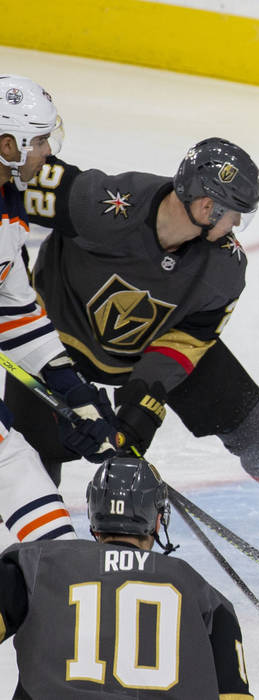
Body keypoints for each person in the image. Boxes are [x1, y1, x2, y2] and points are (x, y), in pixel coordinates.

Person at [18, 136, 259, 536]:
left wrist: (141, 406)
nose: (236, 225)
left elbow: (185, 341)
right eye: (234, 214)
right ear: (207, 207)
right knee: (26, 453)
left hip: (148, 345)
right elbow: (14, 183)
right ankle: (17, 552)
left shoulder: (225, 267)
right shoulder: (104, 202)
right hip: (50, 340)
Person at [0, 456, 254, 698]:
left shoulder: (34, 563)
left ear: (93, 512)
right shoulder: (204, 596)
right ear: (157, 521)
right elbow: (233, 695)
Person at [0, 75, 120, 542]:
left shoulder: (9, 203)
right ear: (8, 143)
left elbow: (14, 310)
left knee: (21, 471)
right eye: (41, 141)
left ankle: (58, 582)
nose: (49, 152)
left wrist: (72, 388)